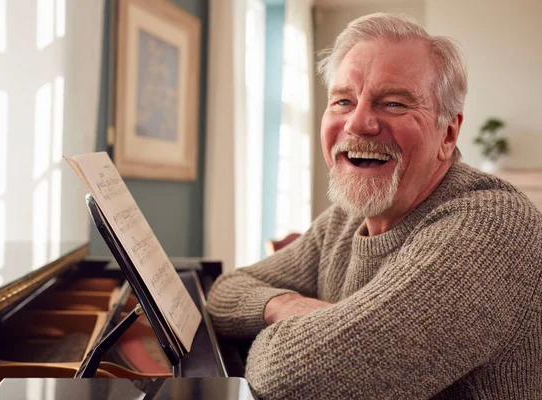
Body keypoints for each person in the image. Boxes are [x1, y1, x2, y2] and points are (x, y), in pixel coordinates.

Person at [206, 12, 542, 400]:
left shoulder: (493, 226)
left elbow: (290, 376)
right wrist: (285, 305)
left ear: (448, 133)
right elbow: (225, 291)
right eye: (343, 101)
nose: (358, 123)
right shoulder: (344, 221)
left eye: (395, 104)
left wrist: (295, 333)